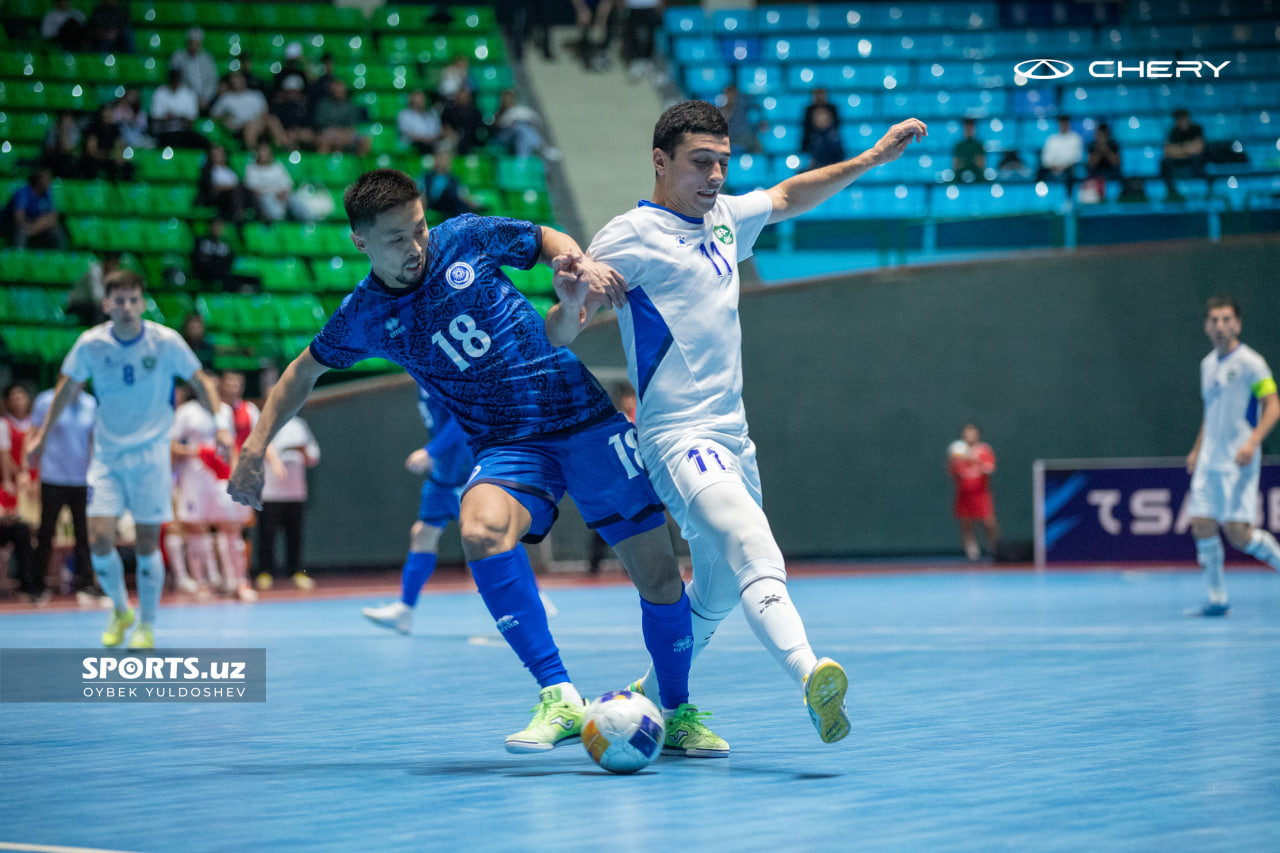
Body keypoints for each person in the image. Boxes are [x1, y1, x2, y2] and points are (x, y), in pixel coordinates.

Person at [228, 168, 727, 758]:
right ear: (360, 242)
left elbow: (543, 238)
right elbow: (302, 372)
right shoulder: (364, 314)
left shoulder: (464, 236)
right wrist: (254, 447)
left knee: (661, 576)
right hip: (508, 446)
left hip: (585, 421)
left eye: (419, 229)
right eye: (396, 239)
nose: (416, 247)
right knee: (480, 530)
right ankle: (559, 697)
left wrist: (574, 262)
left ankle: (678, 710)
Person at [577, 101, 928, 744]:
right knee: (753, 544)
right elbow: (572, 308)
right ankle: (810, 675)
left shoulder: (725, 218)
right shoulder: (628, 236)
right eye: (700, 163)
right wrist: (576, 287)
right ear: (660, 161)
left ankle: (643, 701)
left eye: (723, 163)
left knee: (714, 595)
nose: (715, 176)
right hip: (678, 437)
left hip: (734, 438)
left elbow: (789, 195)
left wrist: (872, 159)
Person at [27, 270, 230, 649]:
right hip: (107, 458)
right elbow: (66, 387)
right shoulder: (91, 344)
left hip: (151, 457)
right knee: (100, 540)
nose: (126, 307)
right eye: (118, 301)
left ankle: (146, 625)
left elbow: (201, 381)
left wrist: (220, 425)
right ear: (107, 304)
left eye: (133, 300)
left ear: (142, 303)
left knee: (147, 543)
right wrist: (41, 435)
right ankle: (121, 610)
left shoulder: (165, 342)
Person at [1184, 296, 1280, 617]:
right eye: (1214, 320)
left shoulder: (1252, 363)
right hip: (1208, 462)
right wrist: (1197, 449)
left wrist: (1252, 442)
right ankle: (1217, 599)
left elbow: (1273, 405)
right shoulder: (1207, 365)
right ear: (1206, 326)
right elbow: (1210, 413)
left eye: (1226, 320)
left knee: (1239, 534)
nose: (1220, 326)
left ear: (1237, 324)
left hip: (1238, 462)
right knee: (1202, 525)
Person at [362, 386, 473, 633]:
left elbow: (463, 417)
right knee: (423, 534)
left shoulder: (446, 376)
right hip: (442, 474)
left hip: (463, 471)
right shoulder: (420, 381)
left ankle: (533, 598)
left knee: (489, 540)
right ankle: (405, 611)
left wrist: (430, 451)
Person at [171, 372, 258, 601]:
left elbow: (231, 445)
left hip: (221, 477)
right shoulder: (186, 412)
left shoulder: (225, 412)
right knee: (195, 528)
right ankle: (201, 583)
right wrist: (196, 451)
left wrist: (237, 473)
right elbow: (171, 445)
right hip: (195, 477)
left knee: (231, 527)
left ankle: (239, 582)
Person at [30, 383, 100, 604]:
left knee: (83, 534)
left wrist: (96, 474)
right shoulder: (45, 401)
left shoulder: (90, 403)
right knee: (46, 533)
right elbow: (34, 435)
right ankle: (37, 585)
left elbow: (94, 440)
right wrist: (29, 471)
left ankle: (86, 584)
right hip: (52, 477)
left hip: (81, 479)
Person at [254, 400, 319, 591]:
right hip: (270, 492)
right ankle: (265, 572)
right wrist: (274, 460)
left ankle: (297, 572)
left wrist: (304, 452)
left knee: (295, 535)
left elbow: (313, 455)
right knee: (267, 535)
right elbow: (257, 450)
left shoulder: (299, 425)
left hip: (295, 492)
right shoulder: (264, 424)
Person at [948, 424, 999, 562]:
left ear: (977, 435)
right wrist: (958, 461)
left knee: (988, 522)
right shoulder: (957, 451)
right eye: (967, 433)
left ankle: (994, 548)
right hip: (964, 494)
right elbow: (953, 473)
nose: (969, 436)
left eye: (972, 433)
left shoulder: (984, 450)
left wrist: (974, 460)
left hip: (981, 493)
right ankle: (972, 552)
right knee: (966, 523)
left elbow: (989, 469)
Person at [210, 72, 288, 151]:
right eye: (234, 80)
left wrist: (260, 121)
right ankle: (252, 151)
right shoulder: (226, 98)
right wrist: (227, 121)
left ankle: (282, 148)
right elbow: (215, 117)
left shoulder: (256, 95)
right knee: (250, 125)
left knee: (273, 120)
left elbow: (265, 113)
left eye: (239, 79)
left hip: (258, 123)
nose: (237, 82)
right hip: (238, 127)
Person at [6, 169, 67, 251]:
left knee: (56, 230)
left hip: (37, 225)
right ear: (39, 181)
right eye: (47, 180)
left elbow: (53, 217)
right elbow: (19, 217)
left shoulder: (47, 193)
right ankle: (18, 255)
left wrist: (36, 227)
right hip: (19, 224)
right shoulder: (23, 193)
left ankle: (59, 256)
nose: (50, 182)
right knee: (21, 231)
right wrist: (30, 227)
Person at [150, 68, 208, 150]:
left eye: (177, 80)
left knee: (203, 142)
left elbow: (192, 120)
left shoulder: (189, 93)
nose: (175, 82)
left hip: (184, 131)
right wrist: (180, 117)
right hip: (165, 132)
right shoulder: (160, 92)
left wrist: (173, 116)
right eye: (173, 80)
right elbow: (156, 118)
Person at [80, 103, 135, 183]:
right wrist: (109, 155)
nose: (107, 115)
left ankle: (123, 188)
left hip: (110, 159)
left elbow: (119, 146)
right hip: (96, 159)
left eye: (109, 112)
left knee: (128, 166)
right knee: (92, 163)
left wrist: (119, 157)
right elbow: (91, 151)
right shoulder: (93, 128)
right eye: (105, 113)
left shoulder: (115, 129)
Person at [196, 145, 251, 223]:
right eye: (215, 154)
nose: (218, 156)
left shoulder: (230, 169)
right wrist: (230, 187)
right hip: (220, 197)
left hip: (236, 194)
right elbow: (212, 188)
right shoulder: (208, 170)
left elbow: (238, 183)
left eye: (220, 154)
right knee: (234, 192)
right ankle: (239, 214)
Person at [169, 27, 218, 113]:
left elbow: (212, 82)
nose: (194, 46)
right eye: (192, 43)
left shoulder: (207, 59)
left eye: (196, 43)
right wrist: (192, 98)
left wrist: (205, 98)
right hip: (184, 98)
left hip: (206, 100)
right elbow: (176, 80)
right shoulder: (177, 57)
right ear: (187, 42)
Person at [421, 147, 478, 219]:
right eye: (442, 158)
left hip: (451, 204)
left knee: (459, 202)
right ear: (436, 159)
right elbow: (423, 195)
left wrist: (470, 201)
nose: (445, 161)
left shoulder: (453, 178)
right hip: (435, 204)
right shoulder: (428, 176)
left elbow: (462, 193)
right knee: (449, 193)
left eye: (447, 159)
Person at [1161, 108, 1205, 202]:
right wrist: (1187, 149)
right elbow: (1167, 151)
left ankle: (1205, 192)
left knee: (1199, 159)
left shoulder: (1196, 129)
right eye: (1178, 119)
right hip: (1178, 162)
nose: (1181, 121)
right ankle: (1171, 192)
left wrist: (1178, 150)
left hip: (1194, 162)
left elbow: (1198, 148)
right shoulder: (1173, 132)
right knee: (1164, 163)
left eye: (1183, 118)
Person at [243, 142, 294, 222]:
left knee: (295, 198)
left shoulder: (278, 166)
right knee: (268, 200)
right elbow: (251, 188)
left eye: (266, 152)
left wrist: (282, 193)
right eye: (262, 151)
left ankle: (306, 219)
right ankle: (277, 220)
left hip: (282, 195)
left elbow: (288, 184)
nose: (264, 154)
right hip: (264, 197)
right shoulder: (252, 168)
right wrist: (271, 193)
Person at [718, 84, 764, 155]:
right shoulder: (721, 105)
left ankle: (758, 161)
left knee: (758, 148)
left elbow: (757, 107)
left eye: (732, 93)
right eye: (728, 93)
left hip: (745, 135)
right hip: (729, 137)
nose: (730, 95)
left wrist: (762, 122)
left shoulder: (744, 101)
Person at [1037, 115, 1083, 185]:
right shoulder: (1051, 139)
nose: (1063, 126)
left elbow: (1077, 158)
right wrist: (1055, 167)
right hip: (1052, 170)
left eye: (1065, 123)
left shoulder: (1076, 139)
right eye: (1061, 123)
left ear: (1069, 124)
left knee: (1071, 173)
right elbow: (1046, 160)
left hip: (1069, 170)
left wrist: (1062, 167)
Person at [398, 90, 443, 155]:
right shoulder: (404, 115)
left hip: (433, 145)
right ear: (412, 101)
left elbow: (438, 132)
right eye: (418, 99)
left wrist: (431, 139)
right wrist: (426, 139)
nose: (420, 102)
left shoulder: (433, 113)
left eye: (422, 99)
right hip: (413, 145)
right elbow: (409, 135)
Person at [802, 102, 844, 171]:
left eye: (824, 117)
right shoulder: (810, 139)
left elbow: (839, 158)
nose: (821, 119)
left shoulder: (834, 139)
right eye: (818, 117)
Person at [951, 117, 987, 183]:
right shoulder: (959, 146)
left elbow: (981, 164)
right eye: (967, 128)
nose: (969, 130)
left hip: (977, 176)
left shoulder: (979, 146)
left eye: (971, 128)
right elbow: (956, 165)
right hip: (960, 176)